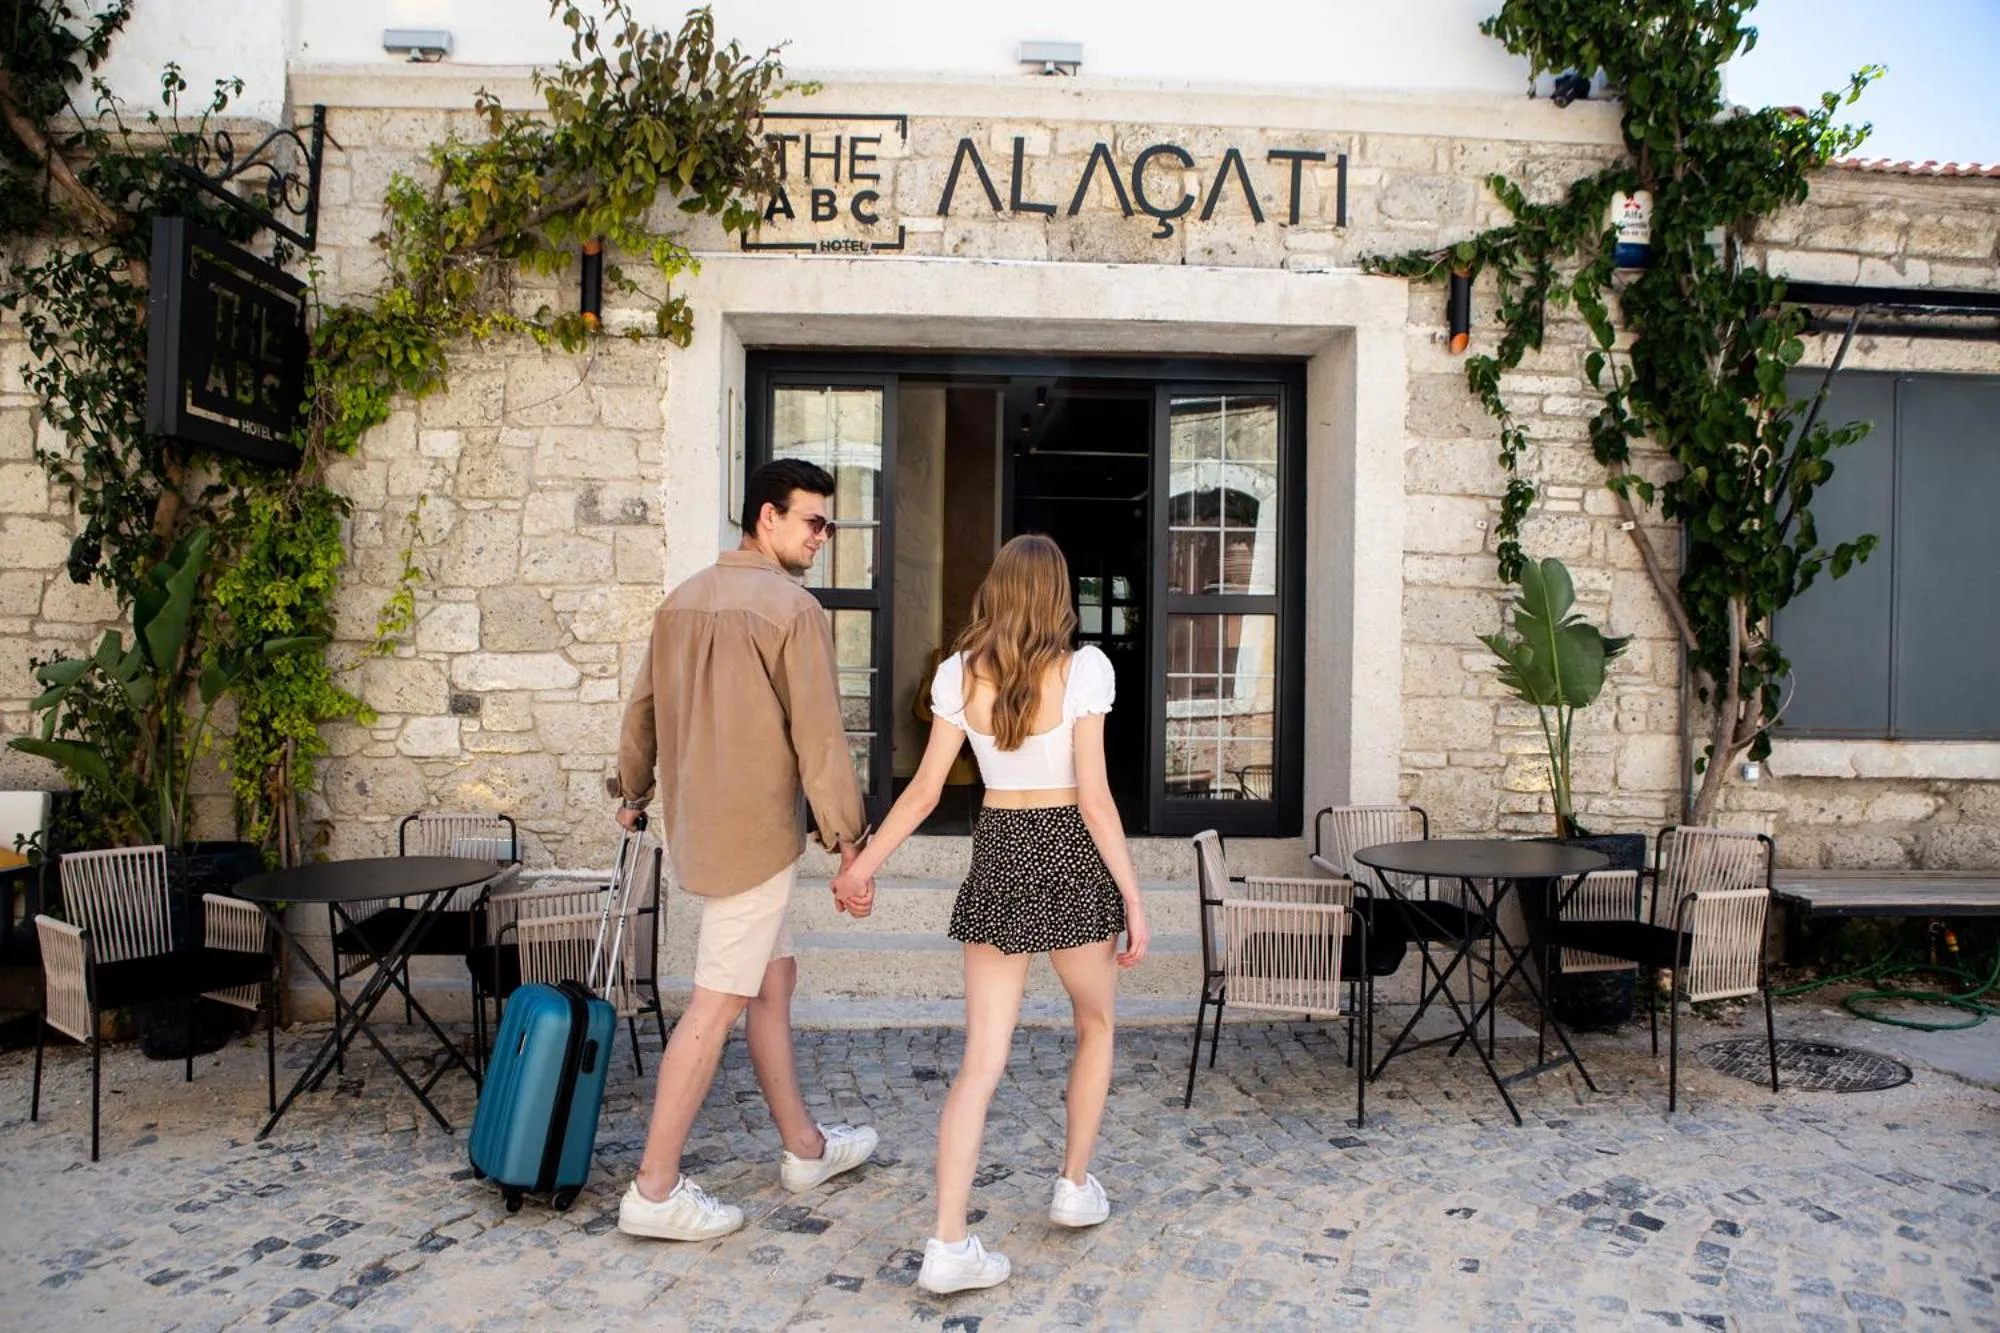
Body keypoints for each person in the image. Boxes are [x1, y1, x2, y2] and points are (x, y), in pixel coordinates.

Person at [831, 533, 1150, 1295]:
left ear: (997, 590)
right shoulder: (1085, 670)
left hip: (1001, 846)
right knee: (1097, 1024)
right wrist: (1133, 899)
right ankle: (1074, 1184)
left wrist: (862, 867)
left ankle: (947, 1243)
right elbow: (1099, 801)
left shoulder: (956, 674)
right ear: (1057, 594)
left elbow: (924, 792)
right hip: (1070, 849)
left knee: (980, 1061)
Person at [611, 458, 881, 1242]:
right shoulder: (792, 611)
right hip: (755, 837)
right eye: (813, 522)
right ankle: (655, 1190)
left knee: (773, 978)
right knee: (717, 1001)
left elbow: (641, 715)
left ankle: (805, 1148)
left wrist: (632, 792)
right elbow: (821, 738)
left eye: (827, 523)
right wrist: (848, 841)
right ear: (767, 517)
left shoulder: (681, 601)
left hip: (701, 826)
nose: (823, 537)